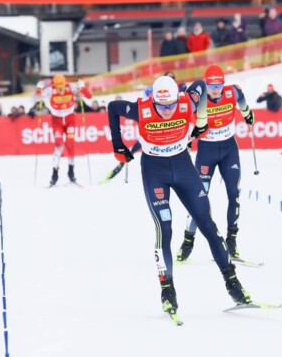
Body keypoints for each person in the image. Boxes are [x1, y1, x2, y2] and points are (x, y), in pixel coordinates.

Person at [107, 75, 252, 319]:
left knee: (207, 224)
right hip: (155, 171)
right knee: (165, 228)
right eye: (161, 106)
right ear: (153, 100)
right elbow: (113, 108)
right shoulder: (141, 109)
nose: (166, 111)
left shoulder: (187, 101)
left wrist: (202, 120)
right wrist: (117, 144)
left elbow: (202, 86)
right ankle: (168, 292)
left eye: (171, 105)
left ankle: (233, 284)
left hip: (183, 167)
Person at [176, 64, 256, 262]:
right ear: (205, 84)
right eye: (211, 85)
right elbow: (183, 114)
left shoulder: (233, 92)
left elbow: (243, 104)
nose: (215, 89)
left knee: (234, 194)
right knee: (199, 197)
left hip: (229, 149)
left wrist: (247, 114)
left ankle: (232, 241)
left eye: (219, 85)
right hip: (206, 151)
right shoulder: (198, 98)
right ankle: (188, 241)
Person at [35, 74, 92, 186]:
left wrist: (82, 87)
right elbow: (36, 97)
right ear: (54, 84)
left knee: (70, 144)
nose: (60, 89)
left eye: (61, 86)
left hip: (70, 119)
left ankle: (71, 172)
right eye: (57, 86)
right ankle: (54, 173)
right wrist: (39, 89)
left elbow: (89, 96)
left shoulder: (70, 87)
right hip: (57, 121)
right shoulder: (50, 90)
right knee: (59, 144)